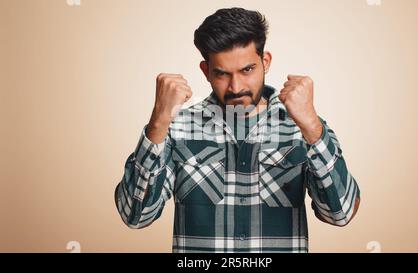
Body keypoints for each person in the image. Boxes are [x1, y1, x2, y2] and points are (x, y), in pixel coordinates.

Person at [115, 7, 360, 253]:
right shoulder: (176, 127)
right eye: (222, 74)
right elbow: (136, 216)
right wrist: (158, 121)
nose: (236, 87)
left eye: (247, 70)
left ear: (265, 62)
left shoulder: (303, 128)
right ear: (206, 71)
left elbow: (341, 214)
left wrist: (312, 127)